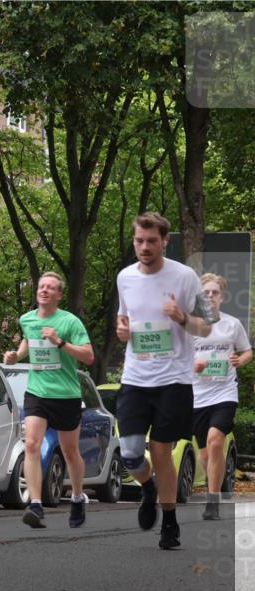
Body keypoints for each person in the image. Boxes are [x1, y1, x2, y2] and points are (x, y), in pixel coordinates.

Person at [115, 212, 212, 550]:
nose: (144, 247)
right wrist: (122, 330)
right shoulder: (124, 277)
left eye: (151, 241)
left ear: (165, 241)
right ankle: (148, 488)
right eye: (139, 241)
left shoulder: (185, 277)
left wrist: (181, 316)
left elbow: (207, 326)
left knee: (160, 451)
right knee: (129, 454)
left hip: (174, 379)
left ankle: (169, 522)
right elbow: (123, 321)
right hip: (135, 377)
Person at [3, 272, 95, 529]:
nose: (44, 290)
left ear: (59, 295)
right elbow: (27, 342)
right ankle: (35, 504)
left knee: (69, 451)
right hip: (37, 391)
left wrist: (60, 342)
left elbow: (88, 357)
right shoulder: (27, 319)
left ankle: (77, 498)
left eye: (50, 287)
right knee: (31, 444)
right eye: (41, 286)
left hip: (65, 394)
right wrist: (16, 356)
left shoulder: (70, 321)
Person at [191, 273, 252, 520]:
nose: (210, 296)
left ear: (222, 297)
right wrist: (193, 365)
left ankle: (212, 501)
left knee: (216, 441)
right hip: (197, 396)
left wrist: (240, 360)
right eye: (206, 293)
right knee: (205, 454)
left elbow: (247, 351)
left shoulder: (232, 324)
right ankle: (214, 485)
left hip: (225, 393)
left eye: (215, 293)